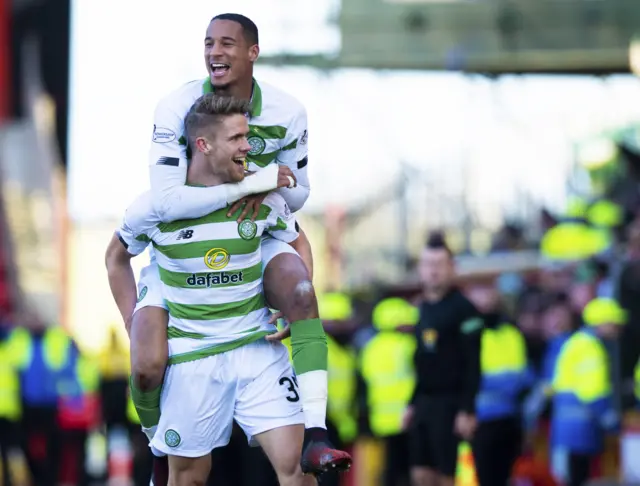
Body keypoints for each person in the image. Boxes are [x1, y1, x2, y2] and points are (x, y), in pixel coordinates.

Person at [126, 12, 349, 483]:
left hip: (250, 239)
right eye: (208, 43)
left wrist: (262, 191)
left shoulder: (288, 111)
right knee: (146, 365)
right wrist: (244, 186)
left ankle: (316, 434)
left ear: (253, 53)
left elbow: (297, 197)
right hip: (181, 256)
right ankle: (156, 442)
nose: (214, 52)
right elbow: (166, 201)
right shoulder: (177, 106)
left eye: (227, 43)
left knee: (305, 295)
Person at [403, 233, 481, 486]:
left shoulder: (464, 309)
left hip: (451, 405)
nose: (433, 271)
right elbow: (423, 362)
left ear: (451, 267)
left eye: (439, 264)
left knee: (448, 476)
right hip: (424, 404)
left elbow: (473, 363)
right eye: (428, 264)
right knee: (420, 474)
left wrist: (467, 409)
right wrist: (412, 403)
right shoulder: (422, 308)